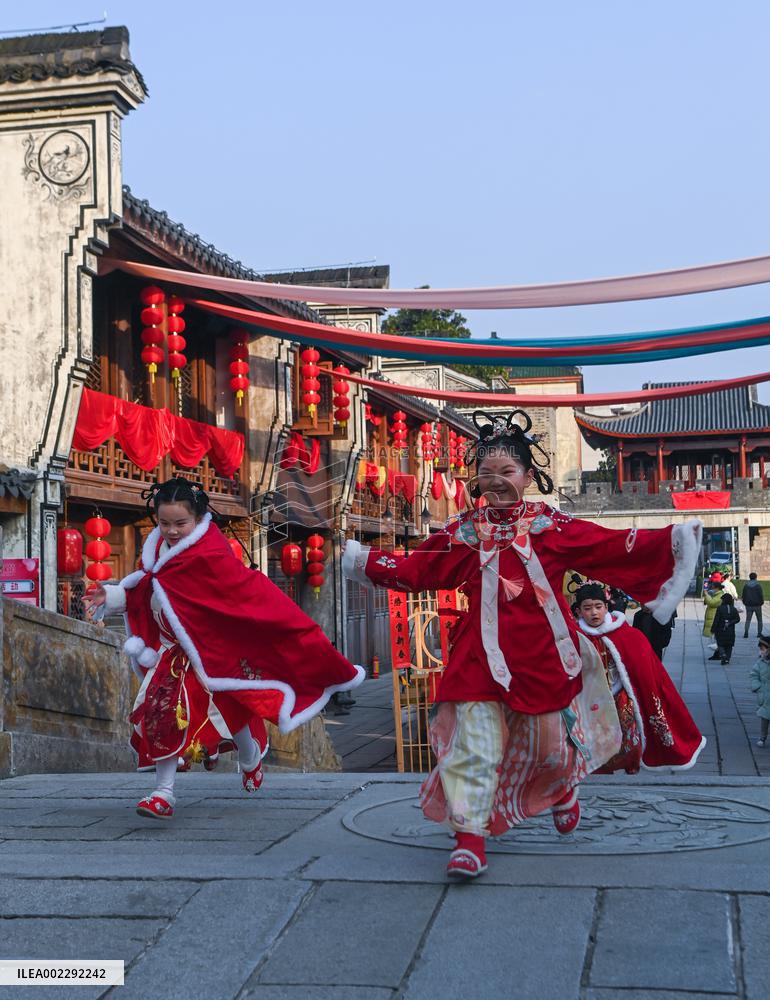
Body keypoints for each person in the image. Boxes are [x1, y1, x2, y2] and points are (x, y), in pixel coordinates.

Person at [343, 409, 702, 881]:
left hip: (545, 656)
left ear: (529, 477)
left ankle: (561, 788)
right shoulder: (464, 533)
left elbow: (609, 547)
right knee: (473, 743)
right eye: (485, 473)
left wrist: (674, 540)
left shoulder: (551, 526)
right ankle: (469, 839)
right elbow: (419, 569)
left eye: (506, 472)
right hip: (478, 657)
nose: (494, 481)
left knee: (549, 747)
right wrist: (363, 559)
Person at [85, 477, 363, 820]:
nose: (171, 530)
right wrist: (113, 595)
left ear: (199, 518)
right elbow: (145, 588)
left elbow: (248, 596)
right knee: (162, 716)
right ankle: (163, 792)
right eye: (165, 523)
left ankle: (249, 760)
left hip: (215, 650)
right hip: (173, 657)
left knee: (233, 711)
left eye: (180, 523)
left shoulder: (212, 555)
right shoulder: (156, 553)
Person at [575, 583, 704, 772]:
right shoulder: (574, 637)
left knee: (629, 735)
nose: (594, 612)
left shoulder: (626, 634)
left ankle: (631, 765)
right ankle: (600, 767)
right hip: (590, 698)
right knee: (595, 737)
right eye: (587, 608)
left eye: (598, 606)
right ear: (579, 611)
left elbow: (647, 669)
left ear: (607, 606)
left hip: (620, 695)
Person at [750, 633, 770, 747]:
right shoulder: (760, 662)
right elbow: (753, 675)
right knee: (764, 719)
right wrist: (757, 686)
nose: (761, 652)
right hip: (764, 695)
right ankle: (763, 737)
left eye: (763, 649)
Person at [711, 593, 741, 665]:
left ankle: (723, 655)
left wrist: (713, 629)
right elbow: (737, 619)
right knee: (729, 645)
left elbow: (716, 620)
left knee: (720, 644)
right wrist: (730, 622)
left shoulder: (720, 608)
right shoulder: (733, 609)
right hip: (730, 630)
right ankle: (727, 659)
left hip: (721, 630)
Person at [742, 572, 765, 638]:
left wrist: (744, 602)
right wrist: (761, 602)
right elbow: (761, 595)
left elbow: (743, 595)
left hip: (748, 605)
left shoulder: (746, 585)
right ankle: (759, 633)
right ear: (756, 577)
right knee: (759, 620)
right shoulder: (758, 585)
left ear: (749, 577)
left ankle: (746, 633)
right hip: (757, 605)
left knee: (748, 619)